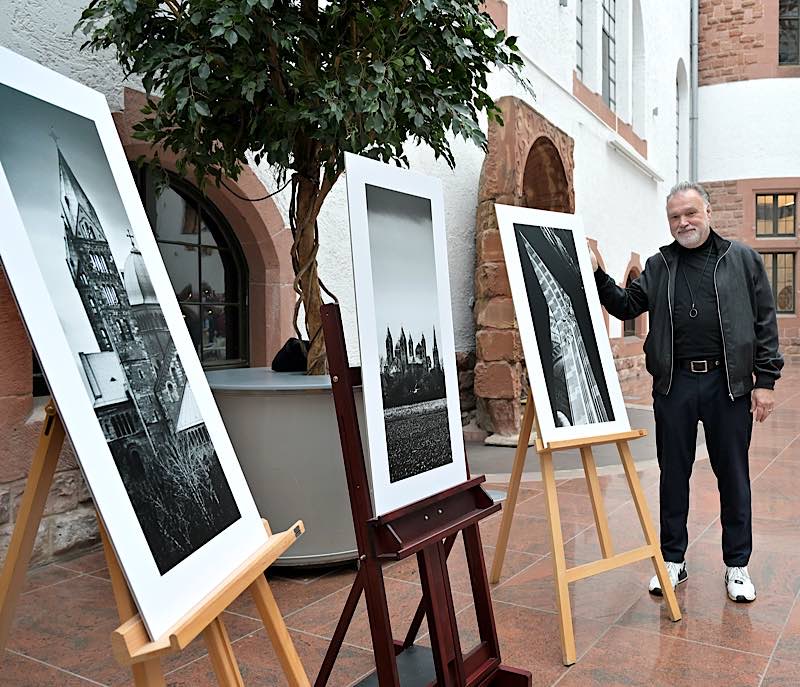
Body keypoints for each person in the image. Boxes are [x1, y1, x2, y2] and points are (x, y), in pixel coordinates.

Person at [589, 181, 783, 602]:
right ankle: (672, 559)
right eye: (675, 216)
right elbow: (625, 306)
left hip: (727, 385)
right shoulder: (659, 266)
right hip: (675, 384)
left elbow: (766, 322)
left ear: (708, 212)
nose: (683, 222)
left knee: (733, 476)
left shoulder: (743, 260)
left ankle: (737, 566)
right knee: (673, 474)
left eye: (690, 213)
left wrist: (764, 382)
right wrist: (598, 274)